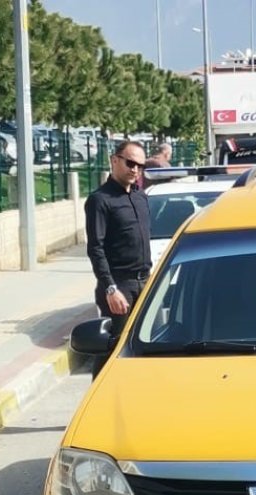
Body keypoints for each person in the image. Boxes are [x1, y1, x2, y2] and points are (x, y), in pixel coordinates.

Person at [86, 140, 151, 378]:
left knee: (144, 348)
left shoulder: (141, 197)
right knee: (113, 349)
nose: (135, 169)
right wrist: (110, 288)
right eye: (130, 163)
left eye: (140, 166)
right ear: (115, 160)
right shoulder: (100, 200)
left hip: (145, 283)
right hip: (119, 286)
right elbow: (96, 248)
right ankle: (100, 402)